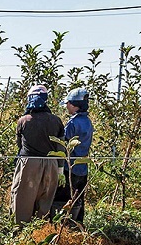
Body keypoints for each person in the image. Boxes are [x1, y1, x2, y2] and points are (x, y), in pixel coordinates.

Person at [10, 85, 65, 226]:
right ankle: (40, 230)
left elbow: (20, 145)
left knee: (23, 198)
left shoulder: (23, 121)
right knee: (45, 199)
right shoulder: (56, 120)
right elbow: (60, 147)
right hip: (51, 164)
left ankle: (20, 230)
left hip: (28, 163)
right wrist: (60, 168)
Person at [53, 87, 93, 225]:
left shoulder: (73, 123)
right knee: (79, 197)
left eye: (68, 103)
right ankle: (78, 224)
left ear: (75, 105)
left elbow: (64, 144)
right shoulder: (88, 121)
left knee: (64, 197)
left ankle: (64, 225)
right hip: (82, 167)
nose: (67, 106)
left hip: (70, 167)